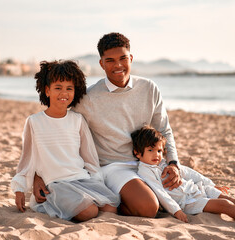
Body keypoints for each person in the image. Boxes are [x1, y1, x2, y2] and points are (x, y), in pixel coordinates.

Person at [32, 32, 181, 217]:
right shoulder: (87, 98)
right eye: (110, 60)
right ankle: (122, 202)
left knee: (191, 192)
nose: (118, 65)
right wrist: (37, 175)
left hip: (148, 161)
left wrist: (174, 163)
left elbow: (164, 130)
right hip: (113, 167)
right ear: (101, 63)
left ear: (131, 58)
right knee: (149, 207)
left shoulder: (149, 88)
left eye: (123, 58)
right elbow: (57, 131)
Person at [11, 60, 119, 222]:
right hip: (56, 183)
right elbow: (27, 159)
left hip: (81, 179)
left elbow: (89, 157)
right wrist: (20, 189)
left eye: (69, 88)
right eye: (58, 88)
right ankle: (50, 203)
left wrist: (97, 182)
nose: (64, 93)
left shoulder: (78, 120)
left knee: (111, 207)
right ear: (47, 91)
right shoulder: (34, 122)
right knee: (89, 212)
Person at [132, 125, 235, 223]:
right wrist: (176, 211)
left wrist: (209, 184)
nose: (157, 155)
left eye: (159, 151)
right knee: (224, 205)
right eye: (150, 150)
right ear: (138, 153)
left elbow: (188, 172)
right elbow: (160, 193)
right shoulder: (145, 171)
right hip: (187, 202)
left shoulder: (163, 163)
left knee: (228, 198)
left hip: (197, 188)